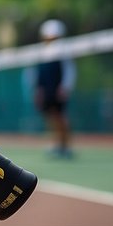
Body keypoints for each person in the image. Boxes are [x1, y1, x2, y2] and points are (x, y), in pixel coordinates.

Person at [28, 19, 76, 159]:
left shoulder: (63, 50)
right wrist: (38, 90)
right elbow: (39, 74)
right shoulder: (42, 52)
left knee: (61, 116)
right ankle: (58, 143)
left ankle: (65, 145)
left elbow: (69, 71)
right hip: (47, 90)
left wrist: (65, 87)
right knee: (51, 116)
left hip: (58, 89)